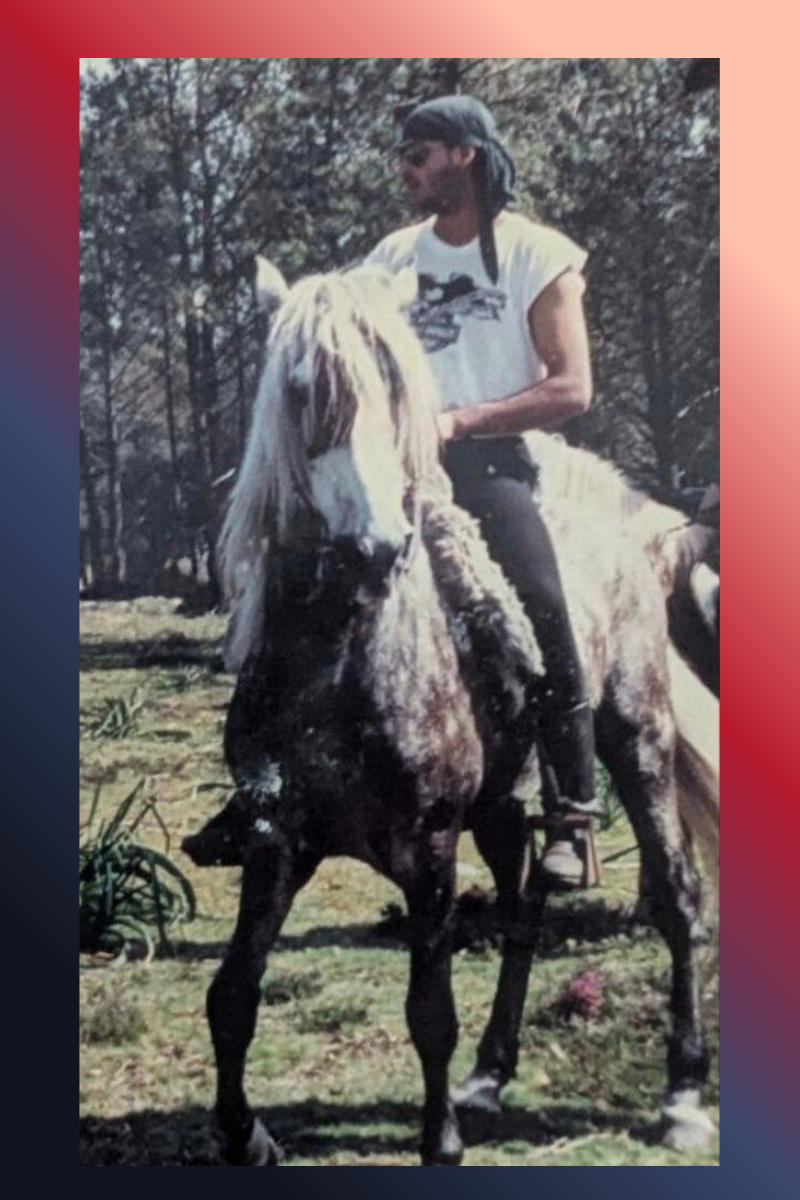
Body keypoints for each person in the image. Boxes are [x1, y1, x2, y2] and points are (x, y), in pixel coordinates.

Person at [365, 95, 601, 886]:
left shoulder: (540, 253)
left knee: (540, 599)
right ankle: (278, 788)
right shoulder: (392, 257)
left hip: (491, 464)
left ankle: (572, 813)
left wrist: (462, 423)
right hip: (395, 466)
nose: (405, 169)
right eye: (403, 155)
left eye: (418, 153)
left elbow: (572, 389)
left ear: (465, 153)